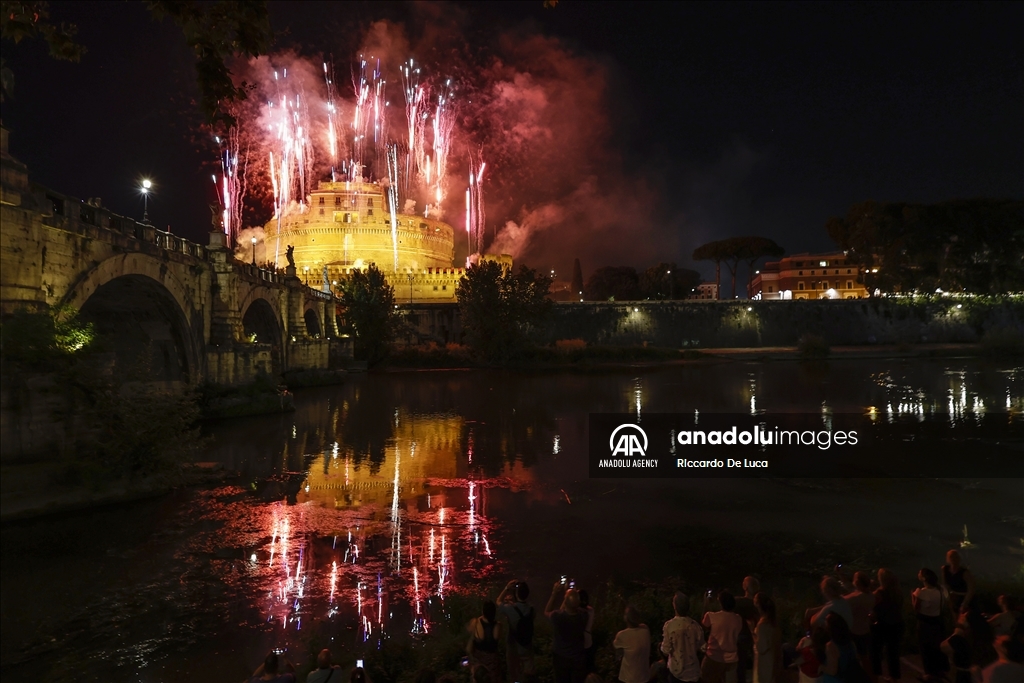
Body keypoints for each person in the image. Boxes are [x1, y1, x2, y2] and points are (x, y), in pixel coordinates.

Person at [546, 580, 588, 683]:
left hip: (560, 657)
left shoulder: (558, 617)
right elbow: (573, 607)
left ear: (565, 602)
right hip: (578, 658)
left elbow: (547, 611)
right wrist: (572, 595)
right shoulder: (584, 616)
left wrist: (554, 593)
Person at [869, 568, 905, 682]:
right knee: (893, 653)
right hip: (897, 624)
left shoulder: (879, 593)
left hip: (883, 625)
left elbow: (872, 606)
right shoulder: (897, 591)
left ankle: (876, 675)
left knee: (875, 651)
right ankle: (894, 677)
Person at [702, 589, 744, 683]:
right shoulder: (738, 619)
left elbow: (704, 626)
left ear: (721, 603)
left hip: (714, 657)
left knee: (705, 678)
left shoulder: (711, 616)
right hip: (732, 659)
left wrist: (706, 604)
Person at [912, 567, 947, 682]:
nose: (918, 573)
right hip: (937, 622)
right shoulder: (941, 590)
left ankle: (929, 674)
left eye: (920, 573)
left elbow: (916, 608)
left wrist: (913, 596)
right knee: (936, 648)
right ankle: (939, 672)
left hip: (924, 624)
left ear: (924, 578)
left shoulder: (922, 593)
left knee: (925, 649)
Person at [498, 580, 537, 682]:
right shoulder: (532, 609)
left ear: (516, 593)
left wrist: (506, 588)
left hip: (513, 646)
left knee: (514, 674)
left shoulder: (510, 609)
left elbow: (498, 602)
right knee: (528, 674)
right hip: (527, 646)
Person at [661, 592, 704, 683]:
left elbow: (665, 650)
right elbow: (702, 647)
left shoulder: (669, 626)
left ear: (675, 606)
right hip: (693, 672)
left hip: (677, 673)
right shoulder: (695, 625)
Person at [822, 613, 867, 683]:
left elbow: (833, 671)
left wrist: (821, 667)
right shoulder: (850, 641)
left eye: (826, 621)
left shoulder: (831, 646)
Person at [843, 572, 874, 671]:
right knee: (864, 656)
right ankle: (871, 678)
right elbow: (851, 589)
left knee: (851, 657)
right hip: (865, 629)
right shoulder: (870, 596)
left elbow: (842, 599)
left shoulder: (856, 598)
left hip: (854, 631)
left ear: (857, 582)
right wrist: (841, 575)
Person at [613, 605, 652, 683]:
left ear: (626, 618)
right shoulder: (645, 631)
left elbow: (616, 649)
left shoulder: (622, 635)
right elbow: (642, 626)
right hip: (644, 677)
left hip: (628, 679)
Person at [468, 600, 503, 682]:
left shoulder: (476, 623)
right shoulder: (498, 626)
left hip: (478, 661)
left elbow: (469, 630)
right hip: (493, 662)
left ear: (483, 611)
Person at [735, 577, 761, 683]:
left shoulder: (737, 601)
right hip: (755, 637)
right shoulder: (759, 604)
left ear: (745, 587)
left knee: (740, 668)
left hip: (740, 637)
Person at [753, 593, 781, 683]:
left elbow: (762, 647)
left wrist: (752, 633)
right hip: (773, 661)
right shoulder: (773, 622)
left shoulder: (763, 625)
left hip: (765, 663)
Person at [941, 550, 976, 615]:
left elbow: (971, 589)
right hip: (952, 599)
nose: (953, 559)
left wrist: (964, 604)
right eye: (951, 557)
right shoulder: (945, 569)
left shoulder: (965, 573)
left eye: (955, 557)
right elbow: (945, 585)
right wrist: (947, 598)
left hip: (964, 599)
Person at [580, 589, 596, 674]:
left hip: (579, 642)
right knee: (589, 665)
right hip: (589, 640)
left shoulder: (578, 612)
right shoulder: (591, 610)